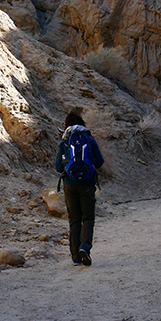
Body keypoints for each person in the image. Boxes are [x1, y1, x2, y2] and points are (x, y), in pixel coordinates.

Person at [55, 112, 104, 266]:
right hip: (88, 185)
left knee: (74, 219)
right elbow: (100, 162)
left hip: (69, 185)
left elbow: (57, 167)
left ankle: (75, 257)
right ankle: (85, 248)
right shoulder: (89, 139)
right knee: (88, 218)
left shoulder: (64, 142)